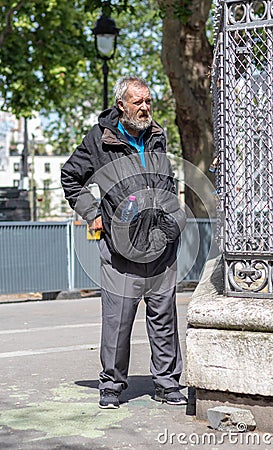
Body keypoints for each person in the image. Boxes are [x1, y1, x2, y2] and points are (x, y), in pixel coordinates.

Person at [61, 76, 187, 409]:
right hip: (119, 248)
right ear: (121, 105)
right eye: (138, 102)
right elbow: (70, 178)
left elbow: (166, 184)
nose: (145, 107)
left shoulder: (157, 135)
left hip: (160, 243)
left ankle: (167, 383)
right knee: (118, 319)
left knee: (163, 317)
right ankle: (112, 386)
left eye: (148, 101)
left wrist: (171, 223)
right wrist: (92, 213)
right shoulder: (99, 139)